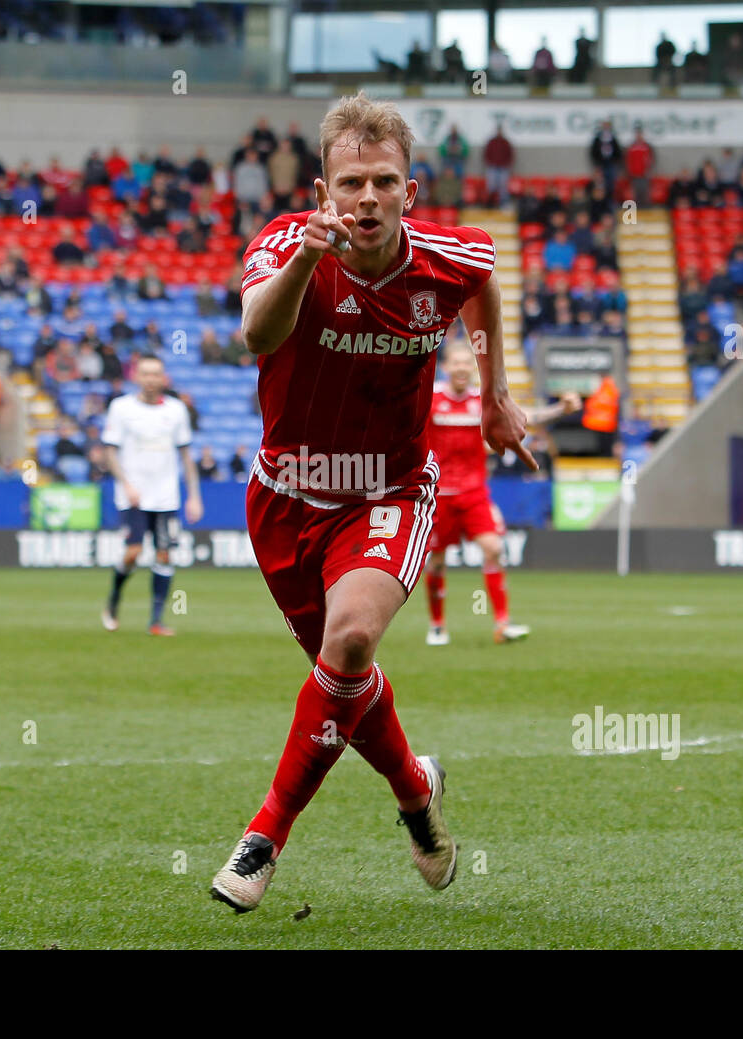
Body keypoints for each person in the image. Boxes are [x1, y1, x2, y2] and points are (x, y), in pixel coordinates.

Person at [208, 92, 531, 914]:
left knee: (350, 638)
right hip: (284, 497)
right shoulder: (283, 247)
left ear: (409, 192)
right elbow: (256, 334)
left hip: (388, 489)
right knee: (344, 675)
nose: (367, 199)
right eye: (349, 182)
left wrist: (494, 391)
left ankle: (264, 836)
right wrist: (306, 264)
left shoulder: (445, 258)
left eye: (384, 181)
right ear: (324, 192)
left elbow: (483, 281)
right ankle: (416, 790)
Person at [423, 341, 579, 646]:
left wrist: (561, 409)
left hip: (474, 492)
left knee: (493, 548)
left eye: (466, 364)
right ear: (445, 367)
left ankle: (502, 624)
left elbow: (524, 417)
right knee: (437, 560)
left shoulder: (483, 401)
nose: (461, 369)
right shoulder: (431, 400)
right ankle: (437, 625)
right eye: (456, 363)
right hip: (439, 494)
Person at [100, 355, 203, 636]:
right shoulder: (121, 408)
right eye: (145, 373)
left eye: (155, 373)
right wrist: (126, 484)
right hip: (133, 495)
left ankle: (156, 621)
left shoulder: (176, 410)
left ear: (163, 378)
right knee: (133, 552)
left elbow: (186, 456)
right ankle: (113, 600)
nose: (150, 379)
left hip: (166, 496)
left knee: (164, 555)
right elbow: (110, 451)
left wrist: (194, 496)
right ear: (136, 376)